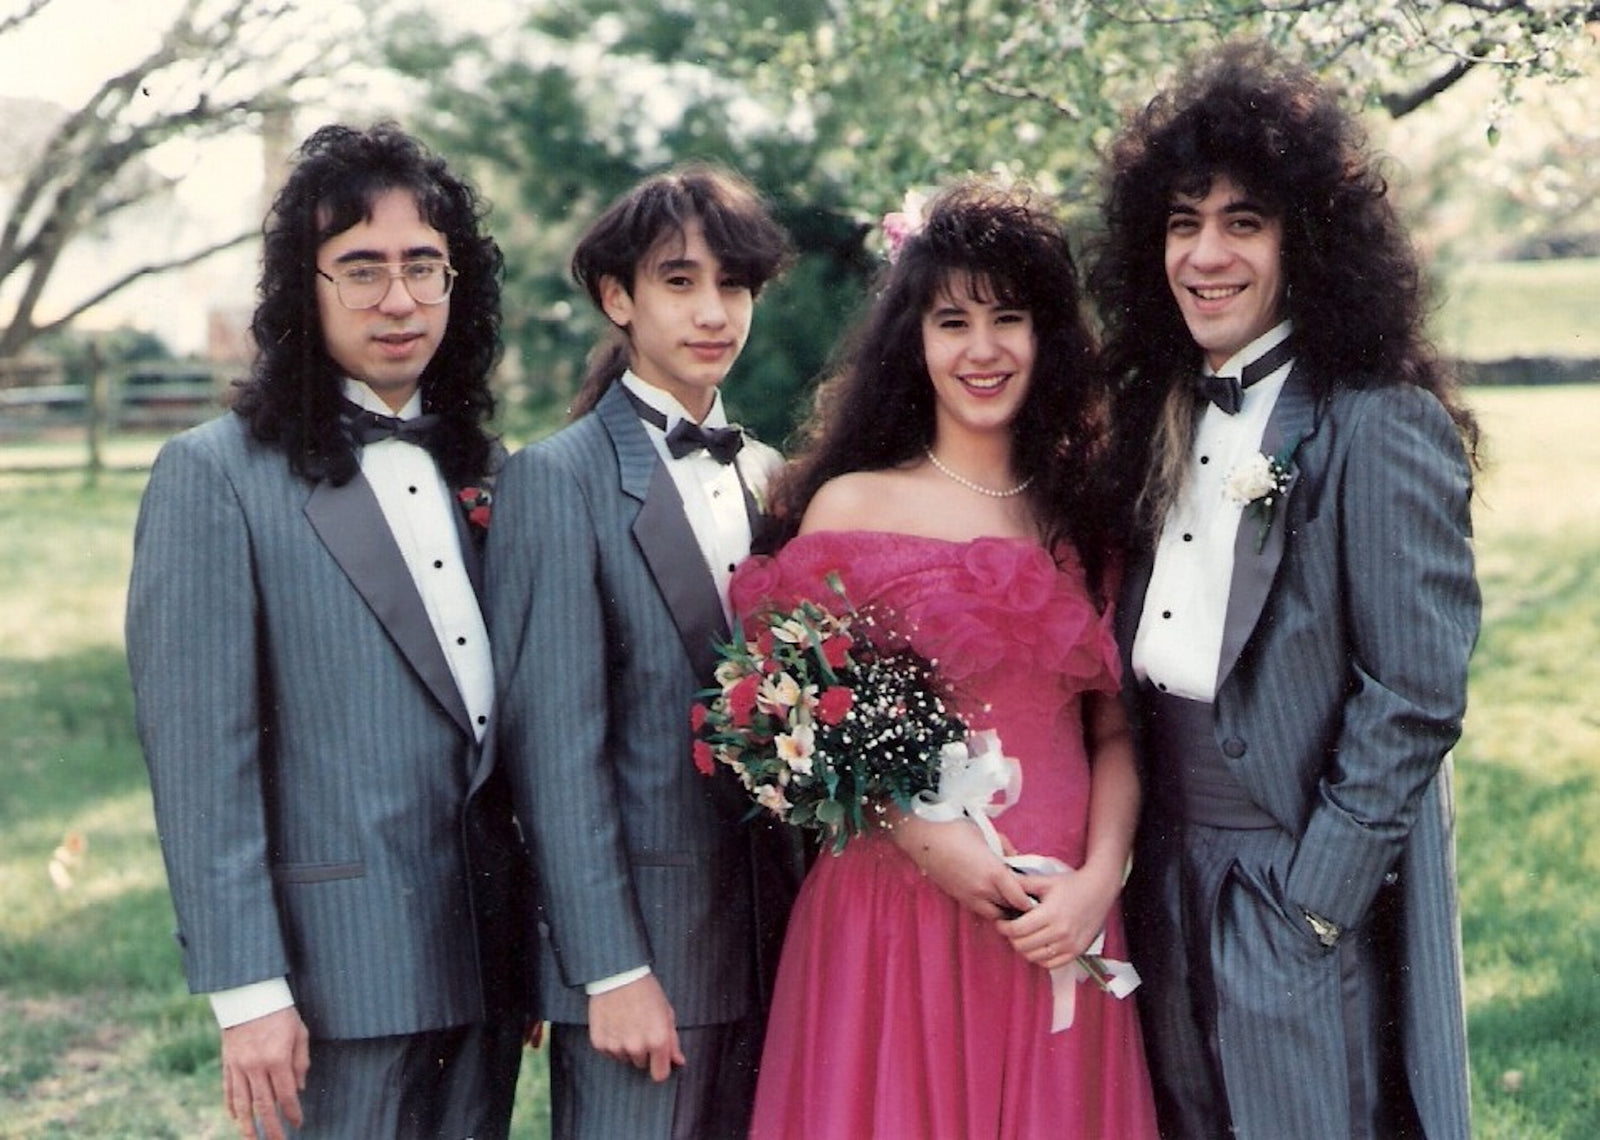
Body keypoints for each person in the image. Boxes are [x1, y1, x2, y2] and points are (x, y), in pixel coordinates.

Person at [1088, 41, 1481, 1139]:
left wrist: (1320, 899)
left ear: (1303, 241)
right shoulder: (1155, 416)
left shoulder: (1376, 421)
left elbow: (1414, 690)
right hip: (1163, 867)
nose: (1204, 255)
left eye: (1241, 222)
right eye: (1180, 223)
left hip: (1294, 874)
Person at [126, 123, 530, 1140]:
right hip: (327, 981)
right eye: (359, 268)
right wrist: (246, 989)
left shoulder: (491, 471)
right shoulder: (214, 477)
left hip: (487, 967)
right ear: (300, 288)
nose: (396, 300)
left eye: (422, 268)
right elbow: (200, 761)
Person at [740, 180, 1160, 1138]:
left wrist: (1099, 883)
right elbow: (796, 720)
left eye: (1009, 318)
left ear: (1047, 336)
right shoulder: (852, 506)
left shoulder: (1085, 512)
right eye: (952, 321)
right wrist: (930, 842)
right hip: (898, 915)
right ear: (914, 341)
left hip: (1061, 916)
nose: (982, 349)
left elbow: (1113, 729)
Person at [485, 163, 801, 1139]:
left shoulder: (771, 475)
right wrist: (609, 971)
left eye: (733, 286)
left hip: (781, 948)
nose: (713, 311)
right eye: (679, 281)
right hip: (642, 967)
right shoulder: (555, 479)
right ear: (617, 297)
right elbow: (552, 756)